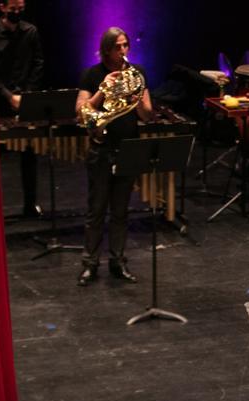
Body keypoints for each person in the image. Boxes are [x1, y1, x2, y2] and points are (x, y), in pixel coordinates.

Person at [75, 27, 155, 286]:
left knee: (121, 212)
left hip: (127, 150)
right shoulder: (92, 75)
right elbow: (82, 112)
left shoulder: (137, 75)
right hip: (101, 149)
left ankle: (118, 262)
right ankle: (90, 264)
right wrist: (103, 89)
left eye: (126, 46)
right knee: (96, 211)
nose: (123, 51)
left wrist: (137, 98)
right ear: (107, 49)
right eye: (118, 47)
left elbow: (147, 115)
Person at [0, 0, 45, 218]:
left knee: (29, 153)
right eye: (13, 9)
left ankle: (30, 205)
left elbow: (39, 62)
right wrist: (7, 95)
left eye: (21, 8)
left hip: (25, 99)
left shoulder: (30, 31)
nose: (17, 12)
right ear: (2, 7)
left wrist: (26, 95)